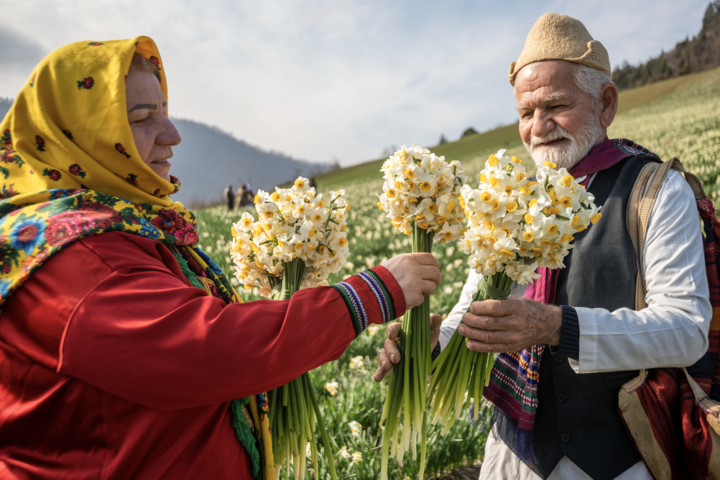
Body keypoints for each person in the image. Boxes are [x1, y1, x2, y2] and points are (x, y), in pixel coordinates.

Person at [0, 37, 442, 479]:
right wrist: (369, 295)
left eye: (164, 112)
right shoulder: (75, 259)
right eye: (142, 118)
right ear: (77, 134)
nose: (172, 136)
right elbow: (207, 351)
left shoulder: (121, 226)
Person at [376, 13, 711, 480]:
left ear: (606, 104)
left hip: (622, 461)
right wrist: (436, 340)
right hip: (515, 458)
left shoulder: (655, 192)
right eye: (525, 113)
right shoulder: (510, 201)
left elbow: (686, 329)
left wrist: (558, 326)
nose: (539, 126)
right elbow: (474, 311)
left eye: (555, 105)